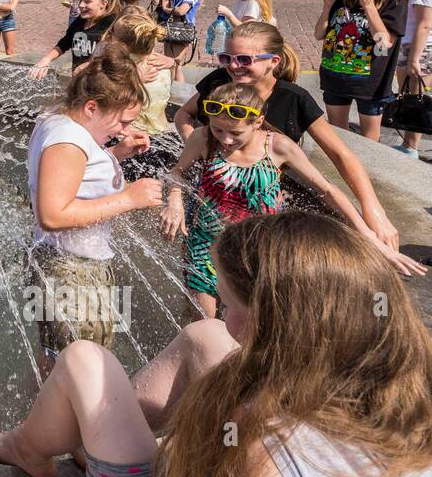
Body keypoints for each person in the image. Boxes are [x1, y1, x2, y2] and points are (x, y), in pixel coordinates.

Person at [0, 211, 432, 477]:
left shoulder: (262, 441)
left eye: (228, 302)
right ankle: (87, 437)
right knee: (206, 337)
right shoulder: (403, 371)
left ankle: (28, 448)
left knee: (84, 359)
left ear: (272, 321)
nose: (222, 313)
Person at [161, 82, 407, 318]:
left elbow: (327, 190)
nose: (225, 140)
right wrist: (174, 200)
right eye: (218, 130)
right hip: (207, 244)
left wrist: (368, 235)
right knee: (206, 322)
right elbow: (177, 172)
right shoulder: (203, 138)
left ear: (257, 122)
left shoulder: (278, 147)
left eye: (236, 133)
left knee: (255, 324)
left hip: (261, 247)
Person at [174, 21, 407, 260]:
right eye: (227, 58)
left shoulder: (294, 99)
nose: (234, 66)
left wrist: (373, 209)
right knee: (200, 263)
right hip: (213, 195)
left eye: (245, 60)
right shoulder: (218, 83)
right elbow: (184, 113)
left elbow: (340, 155)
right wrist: (195, 144)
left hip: (263, 202)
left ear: (274, 61)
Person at [25, 46, 161, 368]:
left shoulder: (62, 122)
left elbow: (75, 180)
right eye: (123, 121)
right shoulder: (68, 140)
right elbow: (52, 214)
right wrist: (129, 198)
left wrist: (118, 153)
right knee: (84, 370)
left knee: (58, 363)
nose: (125, 129)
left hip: (63, 264)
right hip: (72, 270)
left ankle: (48, 416)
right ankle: (70, 420)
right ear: (91, 107)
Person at [315, 0, 405, 141]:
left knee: (369, 142)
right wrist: (327, 6)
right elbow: (319, 34)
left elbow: (384, 43)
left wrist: (368, 5)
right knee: (338, 136)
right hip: (335, 76)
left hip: (370, 83)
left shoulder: (395, 2)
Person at [28, 0, 120, 78]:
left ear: (103, 4)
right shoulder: (81, 20)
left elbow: (117, 57)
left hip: (100, 84)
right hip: (78, 82)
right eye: (80, 0)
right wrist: (45, 60)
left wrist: (89, 65)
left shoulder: (112, 24)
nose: (81, 5)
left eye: (87, 1)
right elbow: (64, 43)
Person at [105, 11, 171, 137]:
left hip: (126, 135)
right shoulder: (161, 64)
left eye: (113, 33)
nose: (109, 35)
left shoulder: (120, 66)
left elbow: (107, 99)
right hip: (159, 132)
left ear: (123, 44)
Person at [394, 0, 432, 156]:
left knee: (414, 98)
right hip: (421, 48)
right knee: (413, 97)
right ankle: (408, 144)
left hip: (417, 49)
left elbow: (424, 25)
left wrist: (413, 59)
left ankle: (411, 147)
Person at [149, 0, 205, 83]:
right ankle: (172, 94)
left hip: (182, 28)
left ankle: (180, 96)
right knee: (170, 64)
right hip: (170, 27)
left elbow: (181, 11)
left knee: (176, 64)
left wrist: (166, 8)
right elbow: (156, 2)